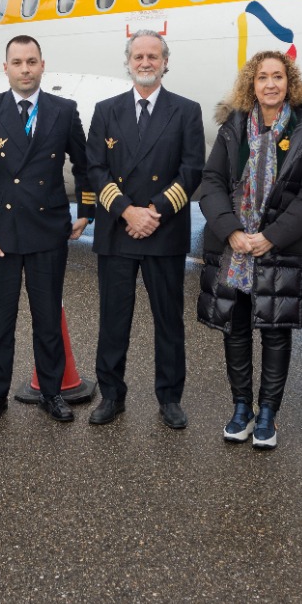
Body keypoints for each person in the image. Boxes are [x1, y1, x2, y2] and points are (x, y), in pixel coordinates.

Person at [198, 50, 302, 450]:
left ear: (289, 83)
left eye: (278, 76)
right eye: (262, 77)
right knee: (234, 329)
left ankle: (268, 413)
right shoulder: (233, 126)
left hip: (280, 246)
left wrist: (272, 235)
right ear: (250, 85)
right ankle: (241, 408)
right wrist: (231, 231)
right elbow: (212, 181)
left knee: (275, 331)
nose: (270, 84)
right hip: (235, 248)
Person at [0, 35, 94, 425]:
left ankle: (52, 392)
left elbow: (84, 163)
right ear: (5, 68)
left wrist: (86, 210)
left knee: (47, 317)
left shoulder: (63, 110)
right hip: (0, 235)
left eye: (31, 61)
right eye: (17, 62)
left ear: (42, 65)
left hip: (47, 230)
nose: (25, 69)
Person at [85, 30, 205, 429]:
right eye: (138, 56)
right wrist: (126, 211)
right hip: (119, 231)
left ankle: (170, 398)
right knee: (113, 320)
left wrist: (152, 211)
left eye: (153, 56)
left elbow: (191, 171)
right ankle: (111, 396)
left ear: (165, 62)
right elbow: (95, 169)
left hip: (163, 230)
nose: (145, 62)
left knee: (168, 321)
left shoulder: (186, 111)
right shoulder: (106, 110)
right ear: (128, 61)